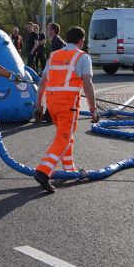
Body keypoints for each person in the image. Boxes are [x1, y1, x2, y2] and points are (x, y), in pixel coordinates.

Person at [32, 26, 100, 193]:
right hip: (67, 105)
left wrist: (39, 105)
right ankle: (43, 171)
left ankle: (69, 170)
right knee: (63, 138)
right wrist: (93, 109)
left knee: (66, 136)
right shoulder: (82, 57)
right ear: (80, 41)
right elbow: (88, 84)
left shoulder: (54, 55)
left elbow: (42, 82)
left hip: (53, 105)